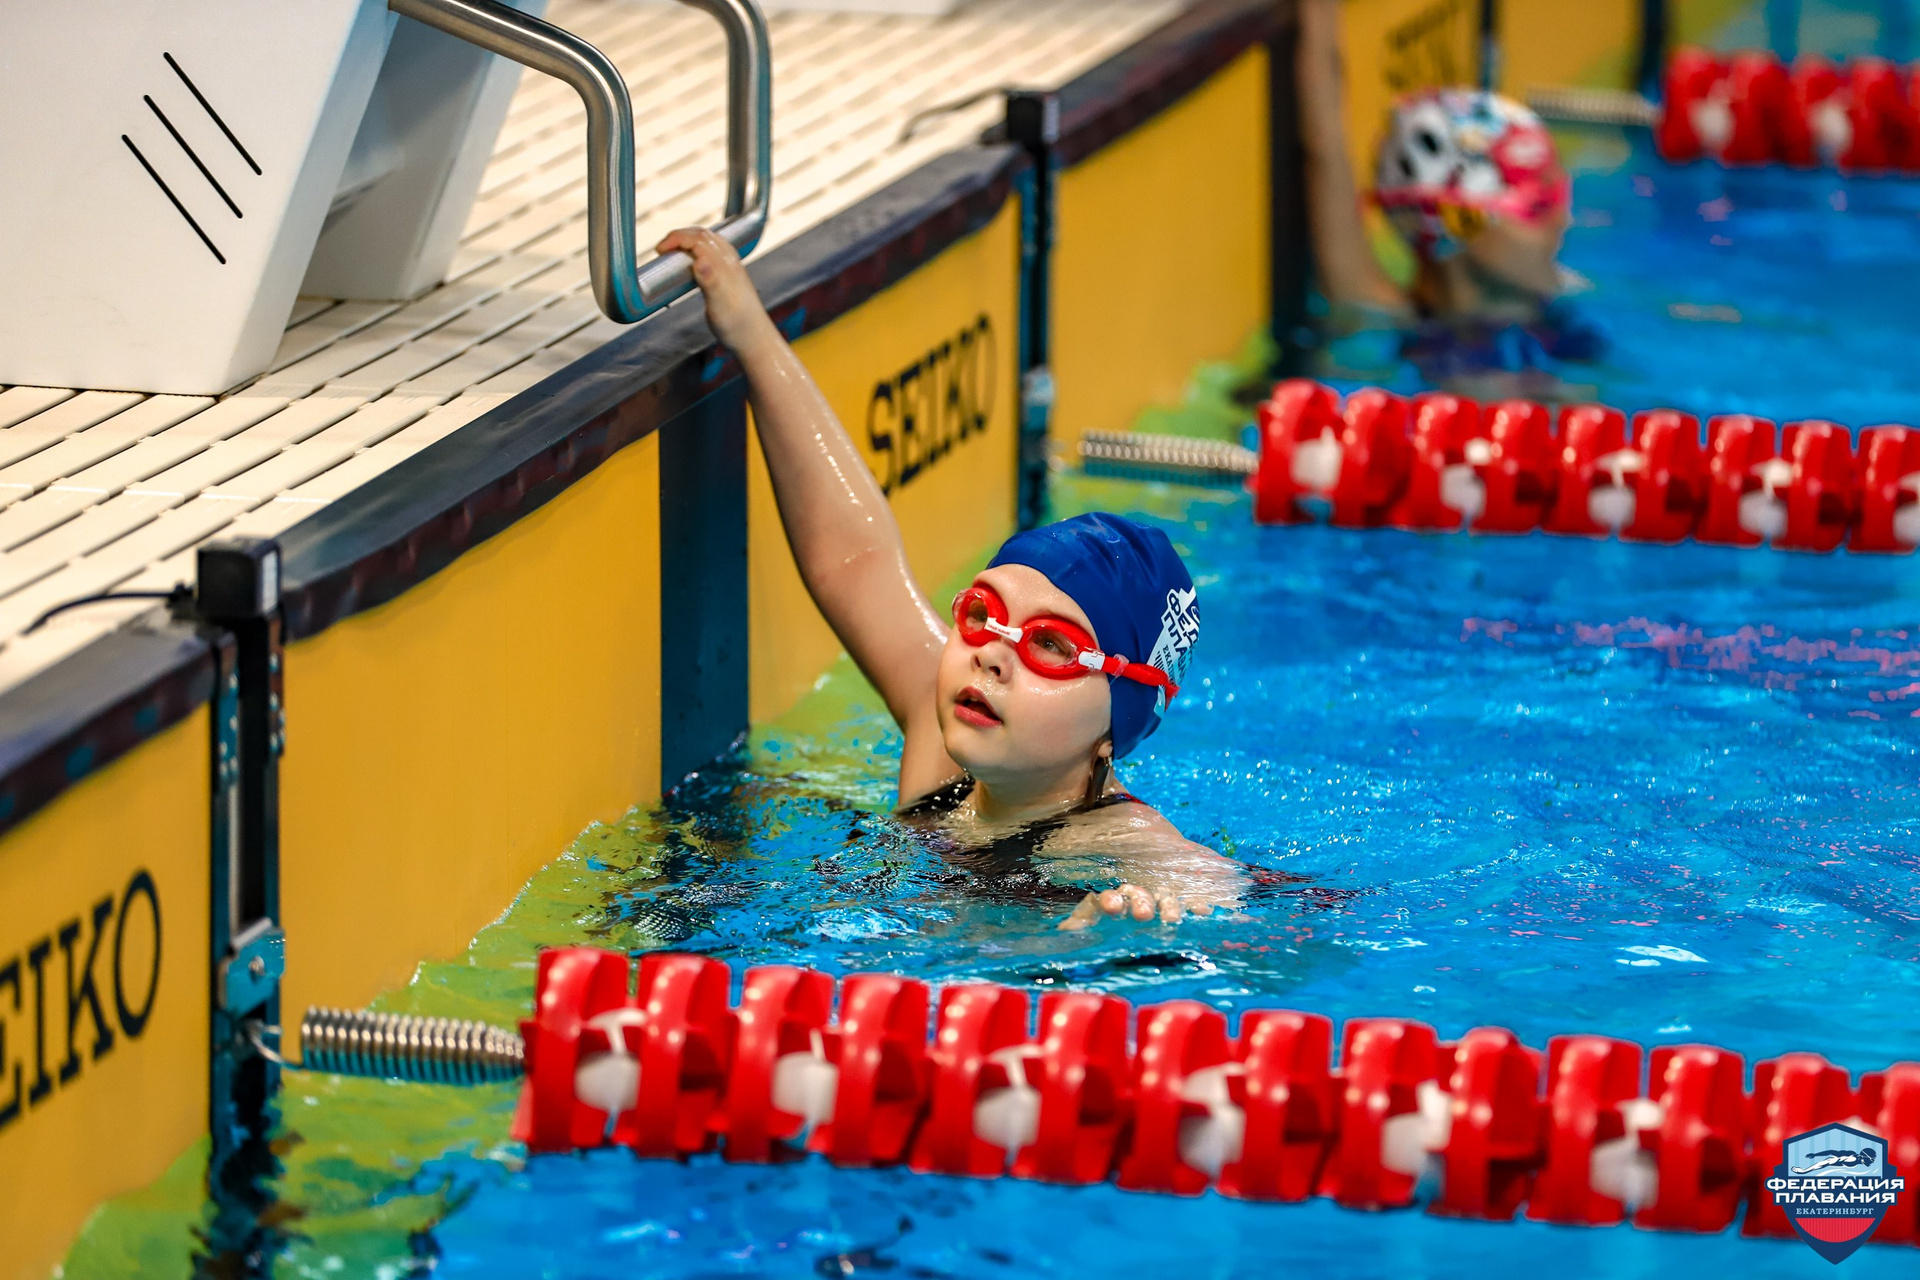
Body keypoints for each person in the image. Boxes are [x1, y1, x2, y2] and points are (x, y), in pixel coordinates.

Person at [658, 227, 1246, 929]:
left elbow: (1217, 891)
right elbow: (856, 560)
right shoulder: (940, 738)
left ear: (1114, 723)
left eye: (1050, 645)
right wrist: (751, 333)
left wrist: (1149, 920)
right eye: (983, 616)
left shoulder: (1125, 844)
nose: (992, 654)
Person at [1297, 0, 1604, 394]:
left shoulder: (1574, 329)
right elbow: (1324, 153)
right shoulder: (1388, 314)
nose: (1562, 222)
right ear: (1455, 220)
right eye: (1537, 207)